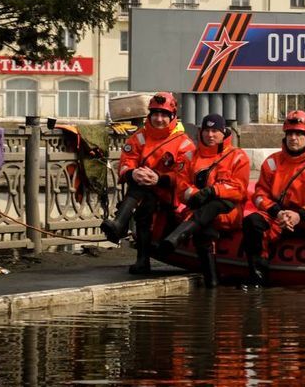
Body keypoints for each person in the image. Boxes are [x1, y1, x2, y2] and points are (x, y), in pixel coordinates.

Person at [242, 110, 305, 287]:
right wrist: (277, 212)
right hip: (279, 218)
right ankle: (257, 280)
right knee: (252, 222)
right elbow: (259, 195)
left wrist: (302, 214)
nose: (293, 138)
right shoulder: (272, 162)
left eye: (298, 134)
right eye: (289, 133)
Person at [100, 92, 195, 274]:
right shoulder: (139, 137)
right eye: (155, 114)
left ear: (172, 117)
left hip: (170, 194)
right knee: (144, 196)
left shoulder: (184, 143)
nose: (159, 119)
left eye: (163, 115)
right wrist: (133, 173)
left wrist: (159, 178)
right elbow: (126, 161)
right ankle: (139, 256)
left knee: (144, 194)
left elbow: (185, 177)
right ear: (149, 115)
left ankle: (120, 224)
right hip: (144, 191)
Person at [160, 113, 250, 287]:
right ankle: (212, 282)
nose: (210, 135)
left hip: (228, 211)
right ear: (201, 132)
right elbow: (181, 187)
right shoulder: (189, 157)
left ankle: (178, 235)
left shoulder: (237, 156)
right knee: (204, 226)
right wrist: (196, 194)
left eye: (215, 131)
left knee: (215, 204)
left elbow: (238, 189)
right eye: (207, 130)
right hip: (198, 209)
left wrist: (212, 191)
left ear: (224, 132)